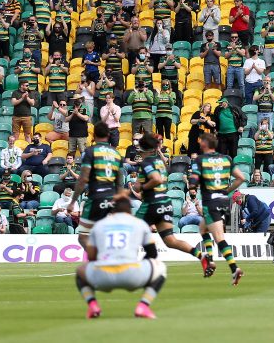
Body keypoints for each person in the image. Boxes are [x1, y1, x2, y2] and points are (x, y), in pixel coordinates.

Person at [75, 197, 168, 320]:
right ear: (130, 210)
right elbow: (152, 254)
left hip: (103, 277)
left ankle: (93, 305)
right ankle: (143, 306)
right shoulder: (140, 223)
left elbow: (91, 256)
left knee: (80, 271)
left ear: (112, 211)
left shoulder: (99, 225)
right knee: (161, 268)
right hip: (133, 275)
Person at [135, 133, 211, 272]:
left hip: (152, 203)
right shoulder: (159, 162)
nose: (139, 153)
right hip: (165, 202)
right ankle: (201, 254)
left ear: (144, 151)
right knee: (170, 241)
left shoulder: (146, 163)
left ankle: (137, 265)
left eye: (139, 150)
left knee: (132, 231)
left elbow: (154, 180)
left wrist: (142, 187)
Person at [190, 133, 247, 281]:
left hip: (211, 201)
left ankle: (234, 268)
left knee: (219, 238)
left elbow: (194, 180)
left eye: (201, 140)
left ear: (204, 144)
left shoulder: (200, 159)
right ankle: (210, 258)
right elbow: (241, 177)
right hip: (224, 201)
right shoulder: (226, 159)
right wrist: (227, 190)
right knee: (203, 228)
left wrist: (191, 184)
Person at [71, 123, 122, 247]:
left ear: (93, 135)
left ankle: (100, 262)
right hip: (112, 199)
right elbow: (119, 183)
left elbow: (83, 179)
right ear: (109, 135)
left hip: (96, 198)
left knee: (83, 238)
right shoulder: (116, 154)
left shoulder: (90, 151)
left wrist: (73, 201)